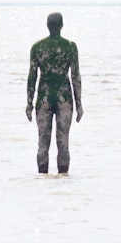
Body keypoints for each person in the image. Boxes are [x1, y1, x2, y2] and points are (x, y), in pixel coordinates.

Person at [26, 12, 83, 174]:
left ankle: (42, 180)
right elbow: (75, 77)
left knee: (42, 143)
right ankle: (63, 180)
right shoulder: (70, 47)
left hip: (43, 99)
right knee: (63, 142)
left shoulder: (37, 47)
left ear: (47, 26)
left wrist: (29, 104)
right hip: (64, 98)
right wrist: (79, 104)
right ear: (62, 25)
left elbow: (32, 77)